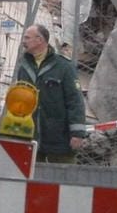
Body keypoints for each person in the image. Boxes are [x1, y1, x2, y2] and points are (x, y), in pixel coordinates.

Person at [15, 24, 84, 164]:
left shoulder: (63, 67)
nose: (24, 41)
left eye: (27, 38)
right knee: (30, 180)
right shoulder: (24, 67)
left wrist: (77, 133)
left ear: (39, 40)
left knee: (63, 179)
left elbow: (75, 101)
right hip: (31, 136)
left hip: (59, 137)